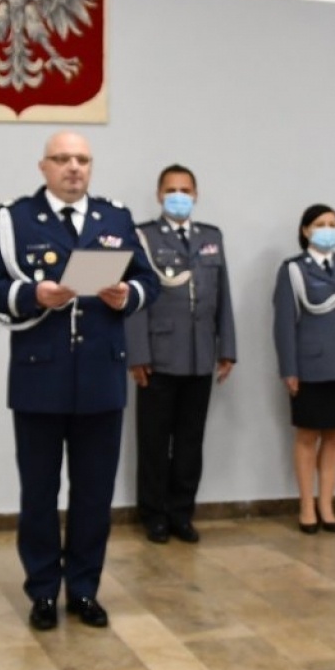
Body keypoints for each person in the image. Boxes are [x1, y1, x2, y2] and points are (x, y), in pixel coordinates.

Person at [0, 132, 159, 631]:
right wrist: (33, 294)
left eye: (82, 159)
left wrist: (128, 296)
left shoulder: (115, 218)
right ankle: (42, 592)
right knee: (39, 493)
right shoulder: (15, 219)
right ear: (44, 167)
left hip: (102, 378)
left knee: (94, 495)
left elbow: (150, 281)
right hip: (40, 378)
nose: (73, 167)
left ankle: (84, 589)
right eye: (62, 159)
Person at [126, 164, 237, 544]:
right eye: (171, 190)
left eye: (185, 190)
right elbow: (135, 299)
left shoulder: (210, 237)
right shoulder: (142, 237)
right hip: (158, 357)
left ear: (196, 194)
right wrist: (137, 355)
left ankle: (181, 513)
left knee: (190, 443)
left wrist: (227, 348)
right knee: (154, 443)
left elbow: (222, 294)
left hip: (200, 355)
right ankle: (153, 515)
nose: (179, 196)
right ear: (159, 195)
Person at [272, 204, 335, 535]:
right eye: (320, 224)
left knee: (334, 437)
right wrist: (289, 369)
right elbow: (284, 324)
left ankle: (326, 505)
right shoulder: (293, 269)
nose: (328, 229)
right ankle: (306, 506)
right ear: (306, 230)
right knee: (307, 436)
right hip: (309, 366)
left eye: (333, 224)